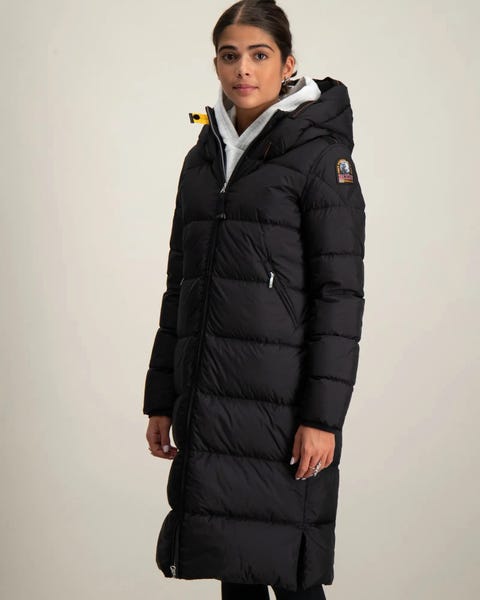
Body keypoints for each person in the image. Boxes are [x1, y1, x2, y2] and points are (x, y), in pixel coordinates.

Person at [143, 0, 366, 598]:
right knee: (232, 565)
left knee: (291, 574)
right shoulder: (203, 157)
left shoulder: (321, 158)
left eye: (259, 54)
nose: (243, 68)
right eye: (230, 55)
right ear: (216, 63)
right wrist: (162, 397)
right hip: (211, 399)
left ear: (287, 64)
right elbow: (181, 283)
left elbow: (339, 297)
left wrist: (322, 418)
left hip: (282, 407)